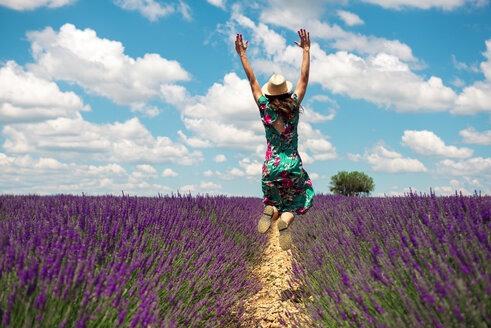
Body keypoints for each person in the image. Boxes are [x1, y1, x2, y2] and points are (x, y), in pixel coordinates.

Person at [235, 29, 314, 250]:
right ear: (287, 93)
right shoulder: (294, 107)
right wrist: (306, 50)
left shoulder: (265, 108)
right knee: (297, 201)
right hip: (293, 166)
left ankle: (270, 210)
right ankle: (284, 222)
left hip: (271, 166)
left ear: (269, 95)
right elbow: (304, 79)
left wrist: (242, 54)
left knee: (273, 200)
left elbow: (252, 82)